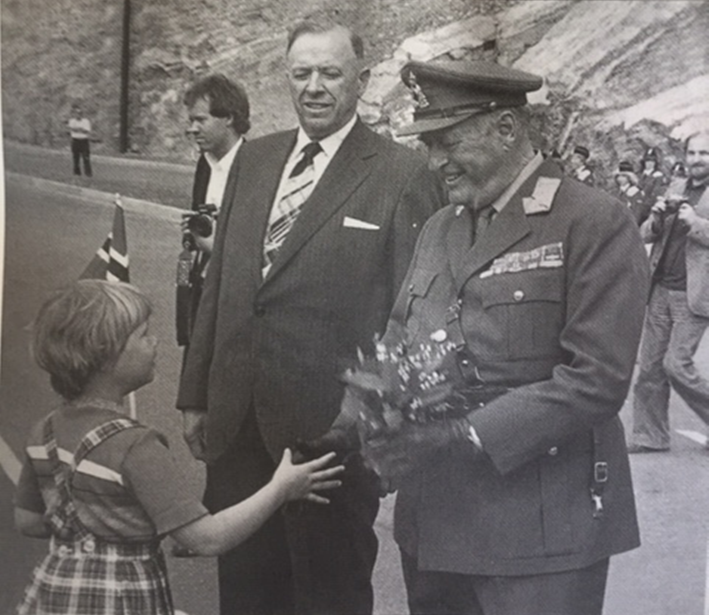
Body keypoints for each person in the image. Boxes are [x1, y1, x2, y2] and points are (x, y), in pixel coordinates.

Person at [342, 59, 649, 615]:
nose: (434, 162)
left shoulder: (592, 221)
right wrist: (370, 415)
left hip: (540, 535)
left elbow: (596, 380)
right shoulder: (439, 227)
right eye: (428, 144)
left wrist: (462, 434)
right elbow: (400, 338)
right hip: (435, 527)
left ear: (506, 129)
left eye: (446, 142)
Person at [176, 18, 444, 615]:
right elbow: (220, 286)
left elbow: (412, 316)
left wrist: (386, 435)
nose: (314, 87)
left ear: (362, 80)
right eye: (302, 73)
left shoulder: (404, 175)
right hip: (236, 428)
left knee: (328, 596)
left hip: (330, 441)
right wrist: (196, 392)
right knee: (244, 595)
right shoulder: (255, 159)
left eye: (330, 73)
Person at [14, 279, 342, 615]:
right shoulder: (135, 446)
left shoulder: (45, 430)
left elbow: (27, 520)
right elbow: (207, 538)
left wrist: (93, 538)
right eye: (143, 335)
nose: (154, 343)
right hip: (122, 599)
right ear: (106, 356)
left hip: (58, 593)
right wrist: (281, 488)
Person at [630, 131, 709, 453]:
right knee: (649, 367)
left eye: (704, 153)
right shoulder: (675, 187)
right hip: (660, 287)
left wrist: (697, 222)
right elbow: (645, 232)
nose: (697, 159)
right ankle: (650, 436)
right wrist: (658, 218)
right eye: (692, 152)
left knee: (676, 365)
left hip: (695, 293)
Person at [176, 74, 250, 347]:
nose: (192, 129)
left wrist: (215, 246)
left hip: (237, 303)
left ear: (228, 118)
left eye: (200, 120)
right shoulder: (204, 165)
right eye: (190, 121)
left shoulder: (258, 169)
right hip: (202, 290)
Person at [614, 160, 647, 224]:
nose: (620, 179)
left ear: (629, 178)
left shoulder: (635, 192)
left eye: (623, 176)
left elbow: (637, 214)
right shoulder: (615, 191)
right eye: (619, 176)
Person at [638, 146, 668, 216]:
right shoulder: (640, 174)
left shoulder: (658, 176)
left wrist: (644, 204)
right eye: (647, 161)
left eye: (652, 161)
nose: (649, 163)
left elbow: (655, 193)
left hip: (648, 207)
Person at [68, 104, 92, 178]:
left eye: (80, 113)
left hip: (84, 141)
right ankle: (77, 173)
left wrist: (79, 129)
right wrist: (80, 129)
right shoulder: (72, 121)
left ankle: (88, 174)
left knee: (86, 157)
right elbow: (72, 129)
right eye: (76, 113)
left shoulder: (86, 121)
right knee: (76, 158)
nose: (78, 115)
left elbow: (86, 131)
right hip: (75, 140)